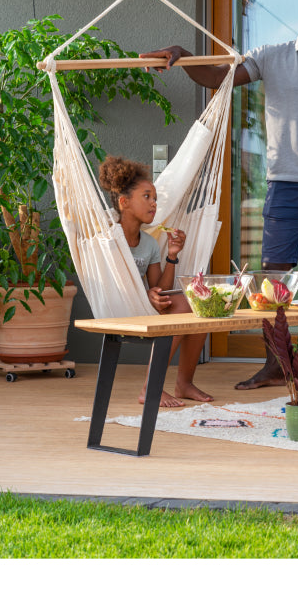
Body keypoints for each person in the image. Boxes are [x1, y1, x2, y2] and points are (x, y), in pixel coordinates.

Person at [141, 0, 298, 390]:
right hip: (284, 184)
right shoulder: (270, 56)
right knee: (274, 281)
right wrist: (184, 56)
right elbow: (219, 78)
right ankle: (276, 365)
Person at [98, 155, 211, 409]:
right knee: (183, 305)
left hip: (142, 306)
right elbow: (113, 281)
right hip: (118, 307)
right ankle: (151, 387)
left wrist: (172, 255)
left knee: (195, 300)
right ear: (124, 202)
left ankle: (184, 383)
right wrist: (146, 295)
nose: (154, 203)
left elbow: (158, 286)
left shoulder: (148, 243)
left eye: (156, 198)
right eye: (147, 197)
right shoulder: (109, 239)